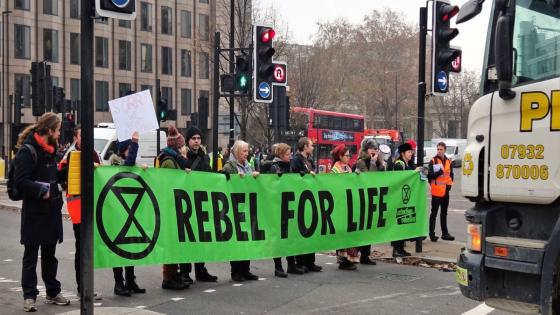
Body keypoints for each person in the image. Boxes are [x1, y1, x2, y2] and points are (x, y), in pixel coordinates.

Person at [14, 112, 70, 312]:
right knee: (31, 256)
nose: (59, 133)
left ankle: (52, 292)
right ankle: (29, 296)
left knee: (50, 255)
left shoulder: (52, 150)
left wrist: (67, 173)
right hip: (34, 213)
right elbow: (20, 181)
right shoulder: (28, 152)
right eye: (58, 129)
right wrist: (40, 190)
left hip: (52, 212)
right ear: (49, 130)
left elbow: (54, 175)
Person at [58, 125, 103, 298]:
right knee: (81, 248)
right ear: (76, 138)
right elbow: (61, 177)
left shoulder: (95, 154)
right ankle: (81, 288)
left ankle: (87, 286)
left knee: (89, 249)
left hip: (93, 208)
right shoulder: (70, 156)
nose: (86, 138)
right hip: (78, 209)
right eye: (82, 135)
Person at [179, 126, 218, 284]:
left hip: (201, 201)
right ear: (188, 141)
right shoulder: (183, 156)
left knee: (201, 238)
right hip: (186, 201)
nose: (196, 141)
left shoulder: (204, 156)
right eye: (193, 138)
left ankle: (200, 270)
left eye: (199, 138)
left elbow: (208, 174)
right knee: (188, 239)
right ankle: (185, 271)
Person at [109, 131, 146, 296]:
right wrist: (135, 142)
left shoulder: (131, 164)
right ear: (124, 149)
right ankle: (119, 283)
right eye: (130, 148)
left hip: (130, 210)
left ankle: (130, 280)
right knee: (118, 249)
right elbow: (128, 165)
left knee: (130, 246)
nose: (132, 150)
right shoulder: (116, 165)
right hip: (117, 212)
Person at [222, 140, 260, 282]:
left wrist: (254, 177)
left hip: (247, 207)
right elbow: (225, 185)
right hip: (234, 208)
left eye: (247, 151)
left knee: (247, 240)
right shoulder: (229, 166)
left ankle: (246, 269)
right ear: (237, 152)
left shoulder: (247, 166)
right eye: (244, 151)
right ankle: (236, 271)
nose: (247, 153)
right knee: (237, 240)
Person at [158, 126, 190, 290]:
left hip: (174, 206)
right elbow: (168, 184)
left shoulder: (173, 159)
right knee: (171, 242)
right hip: (170, 207)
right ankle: (168, 277)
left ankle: (173, 274)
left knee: (175, 242)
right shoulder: (169, 161)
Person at [290, 137, 322, 273]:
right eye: (311, 145)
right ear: (304, 146)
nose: (313, 148)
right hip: (301, 199)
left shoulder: (309, 160)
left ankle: (310, 262)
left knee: (311, 230)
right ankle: (301, 261)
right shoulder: (296, 160)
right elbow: (293, 177)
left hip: (310, 198)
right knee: (302, 231)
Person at [266, 143, 298, 278]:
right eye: (287, 154)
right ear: (280, 155)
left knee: (290, 236)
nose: (290, 156)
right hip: (277, 207)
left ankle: (291, 264)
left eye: (290, 153)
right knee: (278, 238)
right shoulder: (274, 167)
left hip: (289, 205)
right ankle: (278, 267)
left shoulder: (289, 166)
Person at [354, 139, 386, 265]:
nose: (374, 151)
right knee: (363, 228)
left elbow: (382, 176)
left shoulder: (377, 160)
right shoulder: (361, 162)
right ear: (366, 149)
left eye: (375, 148)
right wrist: (373, 163)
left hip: (374, 198)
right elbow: (369, 179)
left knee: (370, 229)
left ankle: (365, 255)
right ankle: (355, 252)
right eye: (371, 148)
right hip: (363, 199)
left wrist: (381, 164)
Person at [331, 144, 359, 270]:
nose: (349, 158)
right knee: (342, 233)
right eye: (347, 156)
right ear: (340, 156)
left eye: (349, 155)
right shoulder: (335, 170)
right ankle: (343, 260)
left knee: (351, 232)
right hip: (340, 205)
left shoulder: (348, 167)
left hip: (350, 204)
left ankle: (350, 259)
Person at [391, 142, 416, 257]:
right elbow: (400, 179)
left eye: (411, 152)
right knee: (398, 224)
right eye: (409, 152)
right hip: (399, 199)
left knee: (404, 223)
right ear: (403, 153)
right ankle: (396, 249)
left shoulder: (407, 163)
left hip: (406, 199)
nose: (411, 154)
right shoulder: (399, 164)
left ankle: (401, 248)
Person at [427, 142, 455, 242]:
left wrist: (449, 186)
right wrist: (439, 172)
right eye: (438, 149)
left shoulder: (448, 161)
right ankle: (431, 234)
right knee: (433, 214)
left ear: (444, 150)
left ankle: (445, 233)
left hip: (445, 192)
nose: (439, 151)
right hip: (436, 192)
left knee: (444, 213)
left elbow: (451, 175)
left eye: (441, 149)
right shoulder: (433, 160)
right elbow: (429, 176)